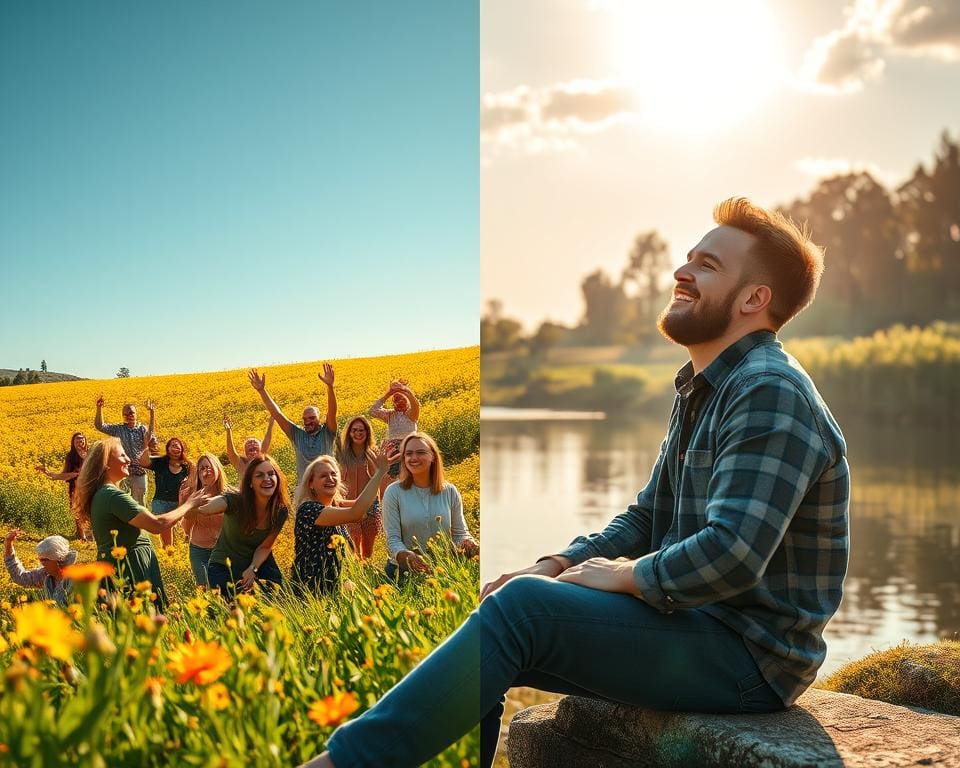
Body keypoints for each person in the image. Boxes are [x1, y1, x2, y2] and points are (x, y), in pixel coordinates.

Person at [307, 198, 850, 768]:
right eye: (688, 259)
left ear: (754, 298)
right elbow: (647, 518)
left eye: (708, 265)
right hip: (698, 628)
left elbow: (734, 553)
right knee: (504, 611)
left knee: (522, 613)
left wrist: (628, 575)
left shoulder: (767, 389)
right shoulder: (705, 386)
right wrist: (555, 565)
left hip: (748, 658)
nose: (681, 272)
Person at [73, 438, 208, 611]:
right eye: (122, 455)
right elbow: (157, 524)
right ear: (106, 463)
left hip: (119, 564)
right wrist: (189, 504)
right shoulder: (112, 496)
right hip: (130, 567)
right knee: (143, 616)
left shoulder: (102, 493)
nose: (128, 459)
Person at [291, 448, 391, 596]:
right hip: (314, 589)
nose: (330, 478)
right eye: (323, 476)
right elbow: (356, 512)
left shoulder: (335, 505)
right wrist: (379, 473)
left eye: (333, 474)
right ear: (311, 484)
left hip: (337, 585)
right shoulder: (309, 509)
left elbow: (368, 504)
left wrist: (374, 473)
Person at [381, 432, 478, 580]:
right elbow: (392, 539)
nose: (413, 458)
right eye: (408, 454)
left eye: (420, 452)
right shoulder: (394, 492)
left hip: (443, 569)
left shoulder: (450, 491)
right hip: (403, 572)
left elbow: (460, 533)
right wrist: (406, 556)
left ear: (433, 456)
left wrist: (468, 543)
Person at [196, 455, 290, 597]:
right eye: (259, 475)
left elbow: (265, 547)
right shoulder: (236, 501)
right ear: (250, 483)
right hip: (223, 567)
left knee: (277, 599)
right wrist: (194, 506)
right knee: (230, 611)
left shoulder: (280, 511)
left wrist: (253, 569)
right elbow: (213, 505)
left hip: (258, 563)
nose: (267, 479)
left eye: (271, 474)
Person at [248, 365, 337, 489]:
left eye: (312, 418)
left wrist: (330, 387)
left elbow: (332, 412)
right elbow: (277, 414)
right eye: (305, 419)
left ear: (319, 419)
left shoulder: (327, 433)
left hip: (328, 487)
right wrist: (262, 391)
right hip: (305, 490)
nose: (308, 422)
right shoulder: (297, 435)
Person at [335, 416, 390, 559]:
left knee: (368, 549)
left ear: (367, 432)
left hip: (371, 506)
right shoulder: (341, 454)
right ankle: (358, 574)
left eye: (361, 430)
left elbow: (378, 478)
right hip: (349, 505)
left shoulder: (374, 453)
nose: (358, 433)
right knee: (354, 543)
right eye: (354, 430)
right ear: (349, 433)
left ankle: (368, 574)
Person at [138, 415, 191, 548]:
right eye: (172, 446)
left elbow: (194, 481)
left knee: (182, 532)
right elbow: (143, 462)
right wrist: (146, 444)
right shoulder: (161, 462)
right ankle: (169, 554)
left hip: (179, 504)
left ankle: (177, 551)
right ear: (167, 449)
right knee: (166, 533)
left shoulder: (188, 466)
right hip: (161, 502)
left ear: (182, 449)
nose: (175, 448)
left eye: (178, 446)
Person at [178, 452, 228, 587]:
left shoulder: (228, 495)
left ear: (218, 469)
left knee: (224, 592)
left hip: (222, 551)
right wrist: (185, 505)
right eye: (202, 469)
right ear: (198, 475)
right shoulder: (193, 495)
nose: (207, 471)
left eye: (210, 467)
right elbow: (186, 528)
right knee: (204, 591)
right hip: (199, 551)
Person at [93, 397, 151, 505]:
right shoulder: (118, 429)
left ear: (136, 414)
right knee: (123, 504)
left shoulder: (143, 429)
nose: (129, 416)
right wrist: (99, 408)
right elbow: (99, 426)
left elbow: (153, 444)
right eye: (125, 414)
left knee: (140, 504)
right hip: (123, 473)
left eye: (131, 413)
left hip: (140, 473)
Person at [35, 431, 88, 539]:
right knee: (77, 510)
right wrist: (47, 472)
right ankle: (82, 535)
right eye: (77, 439)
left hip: (90, 485)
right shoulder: (71, 456)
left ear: (85, 441)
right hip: (76, 487)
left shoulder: (91, 453)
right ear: (73, 443)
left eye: (82, 438)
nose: (80, 441)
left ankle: (92, 533)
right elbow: (64, 474)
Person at [4, 529, 76, 607]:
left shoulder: (76, 578)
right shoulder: (45, 575)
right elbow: (20, 577)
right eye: (40, 560)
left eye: (45, 560)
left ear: (58, 559)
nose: (41, 563)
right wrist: (9, 544)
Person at [368, 380, 420, 478]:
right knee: (392, 478)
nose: (399, 402)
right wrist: (388, 394)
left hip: (409, 450)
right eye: (396, 399)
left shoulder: (411, 414)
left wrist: (406, 391)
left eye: (401, 398)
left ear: (407, 400)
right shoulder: (390, 415)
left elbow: (415, 404)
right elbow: (372, 411)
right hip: (392, 452)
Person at [224, 413, 275, 479]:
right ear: (245, 451)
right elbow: (231, 452)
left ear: (261, 448)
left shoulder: (262, 459)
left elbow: (267, 440)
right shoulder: (241, 465)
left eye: (255, 442)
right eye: (248, 443)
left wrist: (271, 423)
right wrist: (228, 430)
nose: (252, 443)